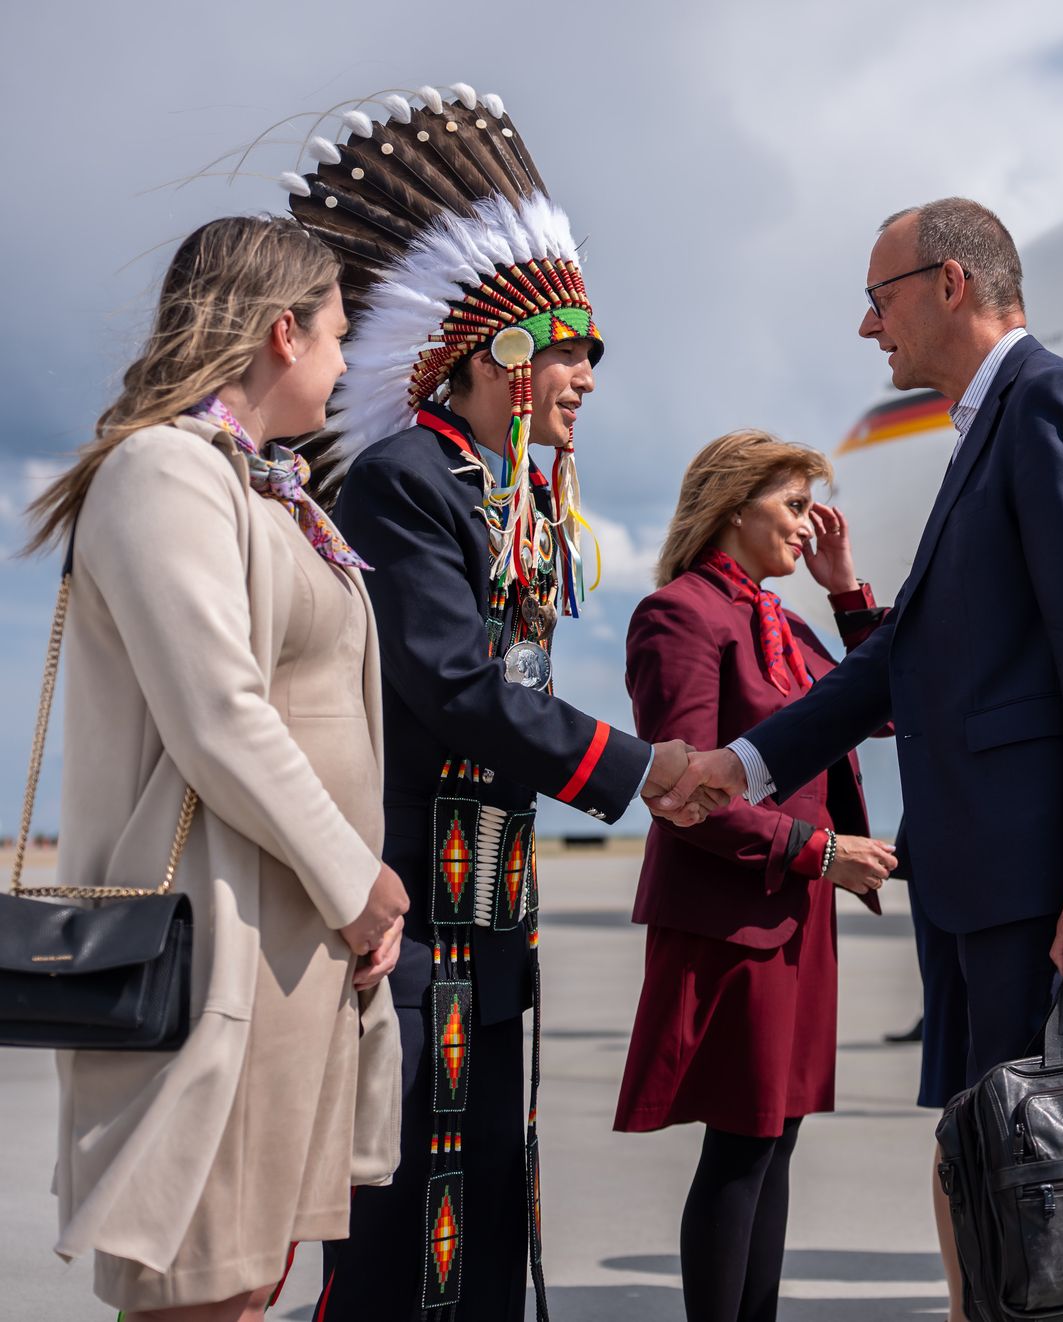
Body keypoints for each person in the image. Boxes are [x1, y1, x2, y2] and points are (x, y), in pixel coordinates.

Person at [654, 197, 1063, 1321]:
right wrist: (744, 761)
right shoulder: (984, 433)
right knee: (996, 1165)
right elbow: (902, 660)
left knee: (1054, 1185)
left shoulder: (1053, 412)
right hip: (979, 884)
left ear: (949, 285)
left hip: (1043, 888)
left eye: (875, 299)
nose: (865, 329)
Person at [283, 86, 696, 1319]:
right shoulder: (409, 484)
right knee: (400, 1217)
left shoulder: (488, 488)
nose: (583, 374)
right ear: (492, 352)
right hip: (412, 908)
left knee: (486, 1201)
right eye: (569, 347)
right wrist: (639, 767)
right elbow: (455, 687)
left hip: (489, 910)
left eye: (588, 352)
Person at [24, 214, 407, 1322]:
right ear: (282, 334)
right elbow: (218, 716)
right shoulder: (161, 470)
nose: (345, 363)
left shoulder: (260, 486)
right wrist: (356, 880)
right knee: (197, 1282)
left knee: (245, 1279)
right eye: (337, 336)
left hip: (292, 938)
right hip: (220, 934)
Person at [617, 431, 896, 1320]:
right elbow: (684, 793)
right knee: (741, 1147)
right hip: (734, 913)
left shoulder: (787, 619)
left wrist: (847, 589)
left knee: (776, 1140)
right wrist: (819, 855)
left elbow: (883, 700)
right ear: (734, 506)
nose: (809, 522)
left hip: (794, 912)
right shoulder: (681, 615)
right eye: (792, 503)